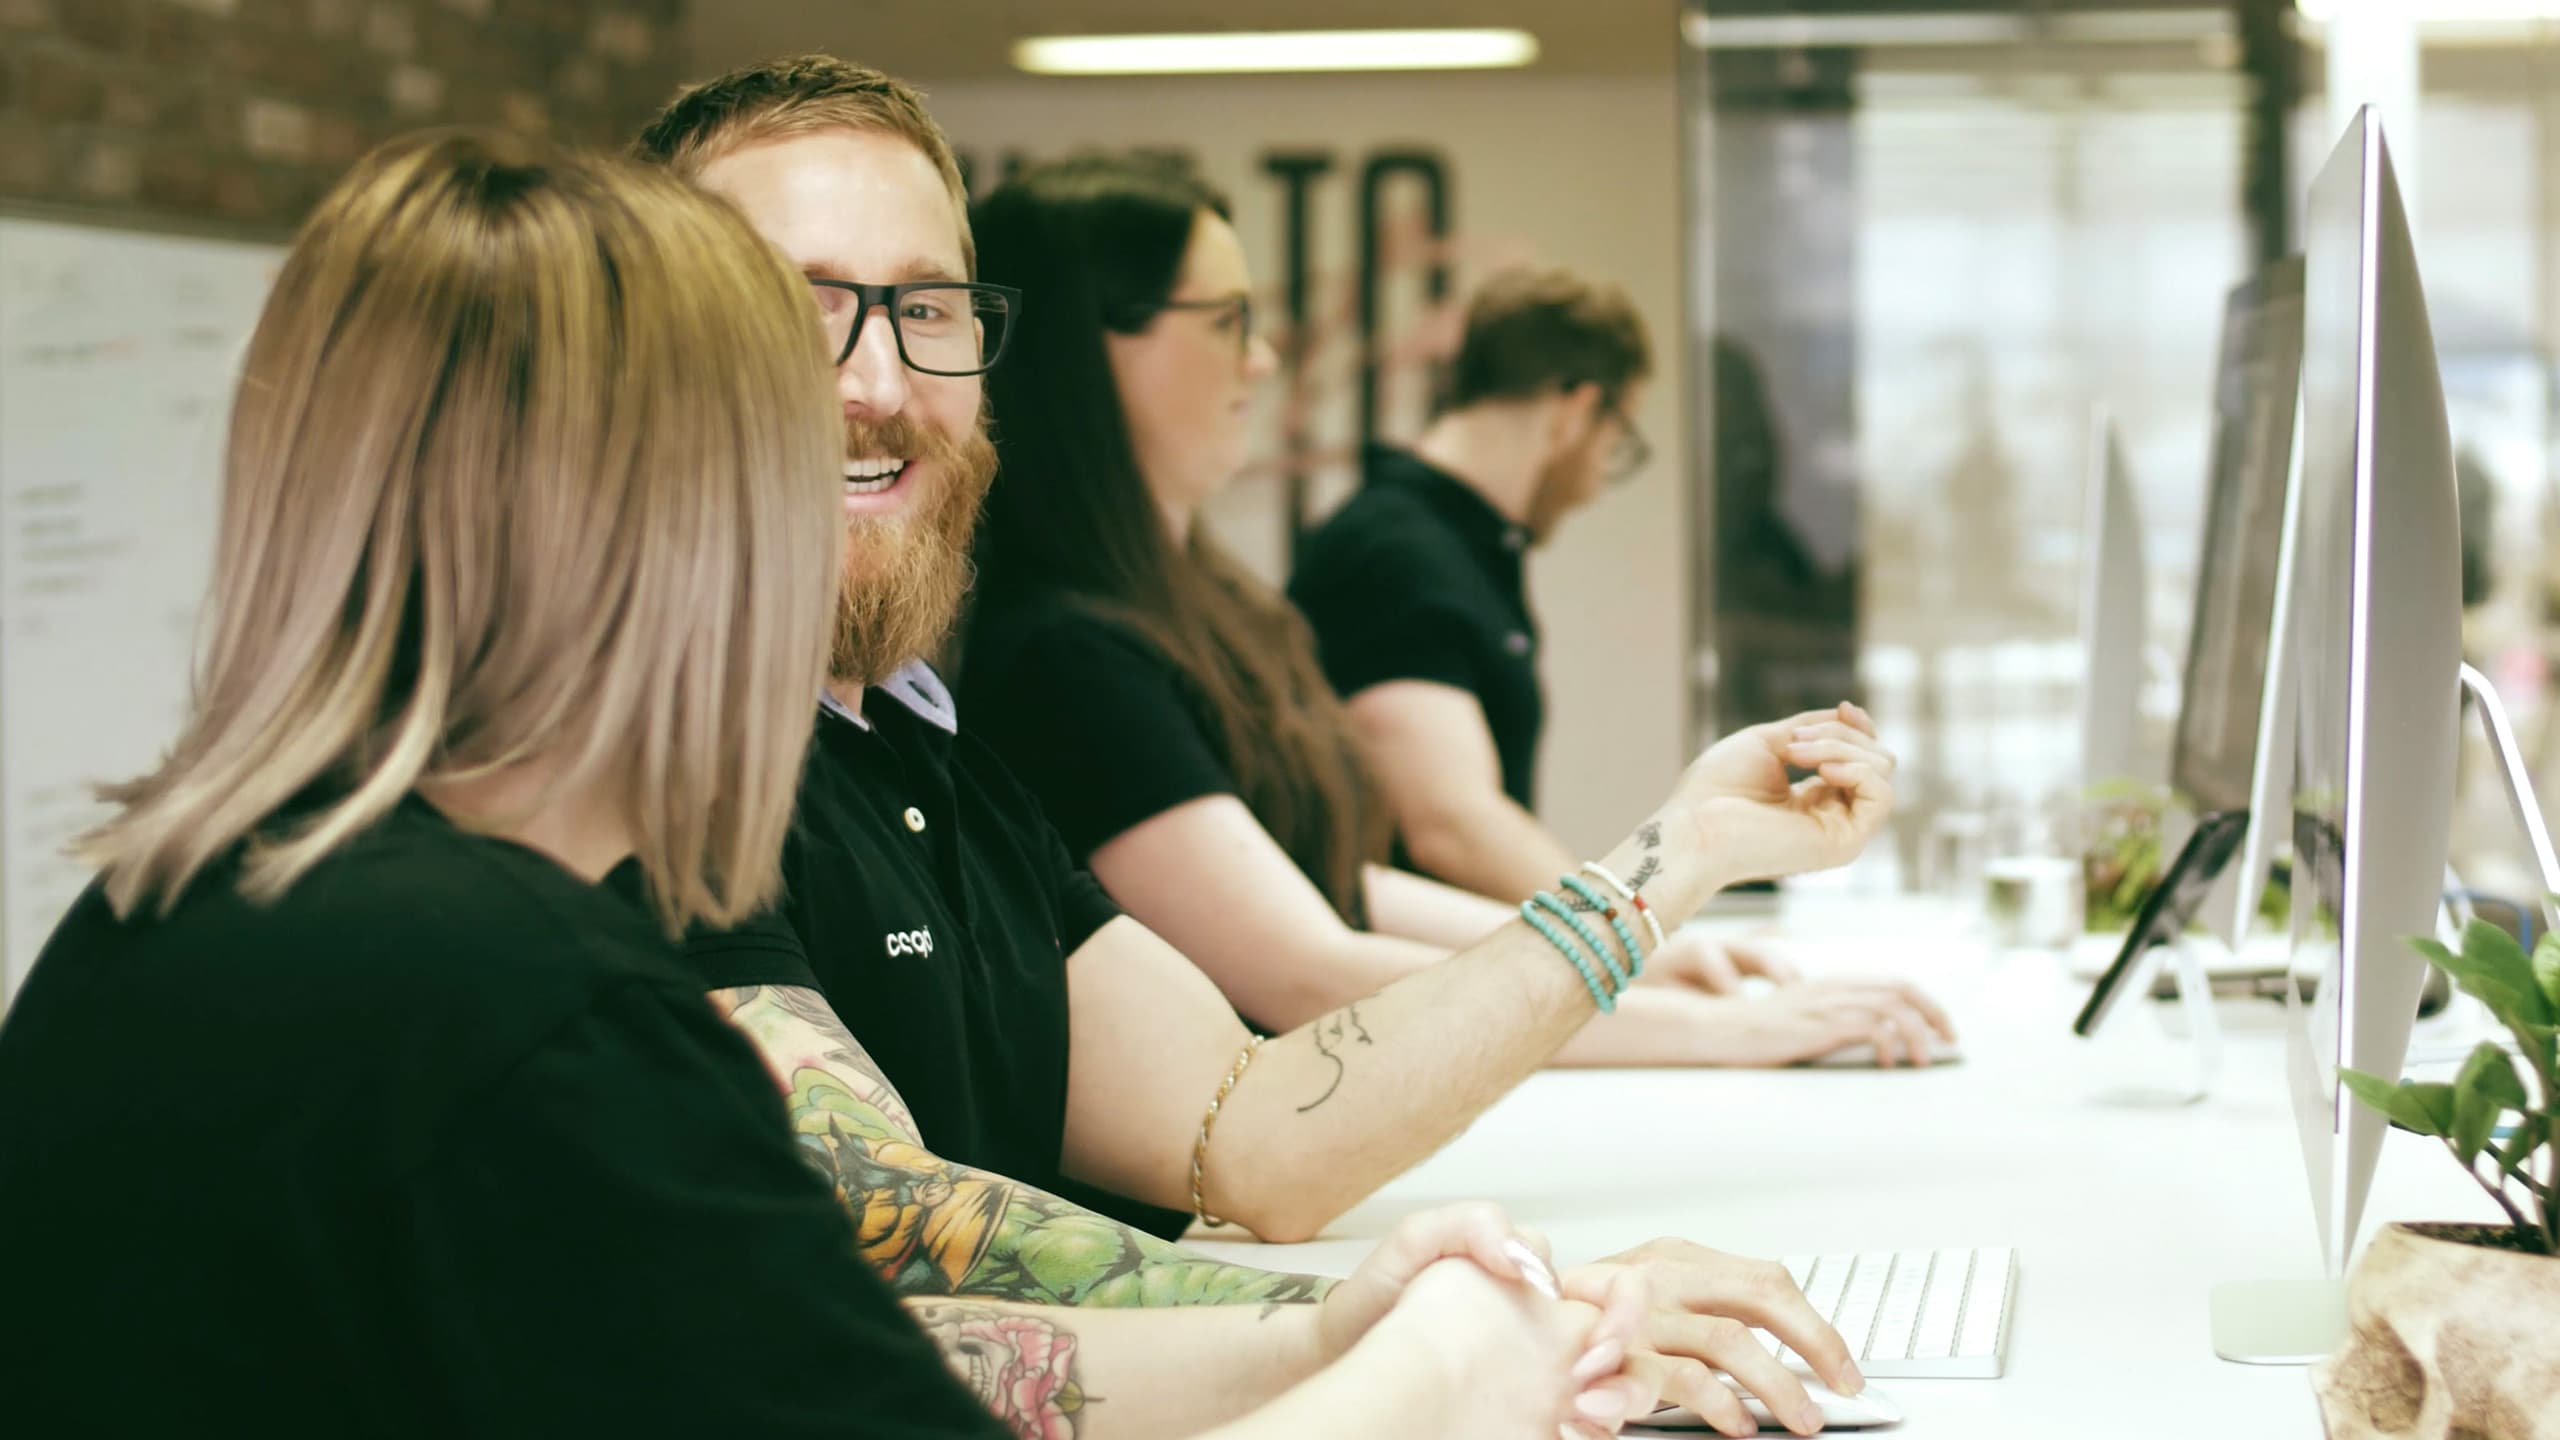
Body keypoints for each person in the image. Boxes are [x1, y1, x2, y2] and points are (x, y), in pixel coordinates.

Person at [0, 128, 1660, 1440]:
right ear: (670, 517)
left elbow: (815, 1350)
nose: (871, 424)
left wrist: (1358, 1320)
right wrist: (1455, 1367)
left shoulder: (207, 910)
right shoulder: (525, 1009)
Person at [640, 58, 1887, 1437]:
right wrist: (1446, 1322)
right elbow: (879, 1226)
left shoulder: (928, 761)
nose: (878, 377)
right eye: (796, 309)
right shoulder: (630, 770)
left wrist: (1686, 847)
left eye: (924, 307)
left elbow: (1253, 1125)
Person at [956, 154, 1950, 1071]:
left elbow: (1342, 886)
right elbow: (1302, 968)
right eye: (1228, 322)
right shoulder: (1065, 655)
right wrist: (1704, 1017)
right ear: (1095, 347)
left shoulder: (1215, 609)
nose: (1262, 361)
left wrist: (1619, 950)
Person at [1288, 269, 1947, 1063]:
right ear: (1574, 408)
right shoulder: (1397, 552)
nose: (1603, 476)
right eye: (1618, 437)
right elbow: (1450, 825)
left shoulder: (1453, 543)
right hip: (1397, 1030)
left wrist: (1640, 939)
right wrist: (1630, 937)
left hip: (1452, 1000)